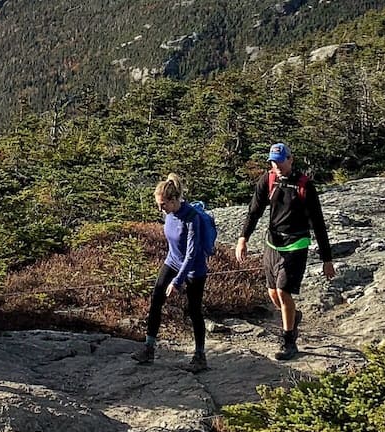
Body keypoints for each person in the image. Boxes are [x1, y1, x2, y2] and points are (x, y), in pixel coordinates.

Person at [235, 143, 336, 361]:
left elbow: (318, 223)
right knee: (272, 293)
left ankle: (289, 340)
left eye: (281, 161)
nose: (277, 165)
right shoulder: (268, 180)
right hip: (273, 243)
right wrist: (243, 238)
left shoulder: (304, 185)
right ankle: (293, 315)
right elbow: (254, 211)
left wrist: (327, 259)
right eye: (273, 161)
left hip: (296, 243)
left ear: (291, 159)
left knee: (282, 291)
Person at [132, 174, 213, 372]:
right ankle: (149, 348)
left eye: (163, 204)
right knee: (156, 298)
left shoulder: (192, 218)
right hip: (172, 261)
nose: (161, 209)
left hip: (194, 268)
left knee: (194, 310)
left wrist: (177, 281)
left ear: (174, 200)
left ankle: (200, 355)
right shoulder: (168, 214)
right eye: (159, 205)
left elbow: (192, 254)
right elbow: (173, 245)